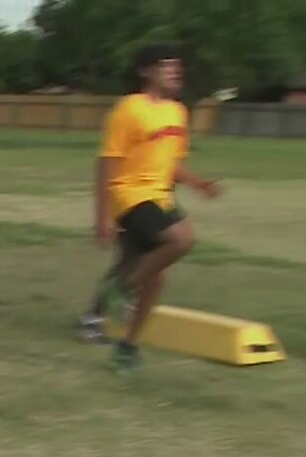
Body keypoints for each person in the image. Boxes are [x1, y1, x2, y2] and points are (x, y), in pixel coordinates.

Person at [86, 44, 221, 371]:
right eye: (166, 66)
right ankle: (122, 290)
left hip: (159, 196)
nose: (175, 71)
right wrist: (102, 217)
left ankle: (127, 347)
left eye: (178, 66)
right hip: (129, 194)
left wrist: (198, 184)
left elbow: (171, 163)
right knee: (181, 238)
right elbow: (106, 163)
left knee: (157, 277)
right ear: (146, 71)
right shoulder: (129, 109)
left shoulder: (178, 112)